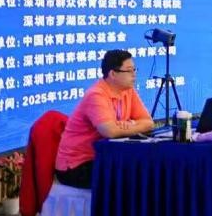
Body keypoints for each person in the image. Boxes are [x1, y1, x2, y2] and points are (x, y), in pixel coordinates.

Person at [54, 49, 154, 188]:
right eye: (129, 70)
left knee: (145, 167)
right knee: (130, 177)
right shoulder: (96, 95)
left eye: (134, 69)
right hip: (76, 165)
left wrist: (127, 125)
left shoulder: (128, 90)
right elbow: (109, 131)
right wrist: (130, 126)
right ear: (113, 74)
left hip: (104, 156)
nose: (134, 74)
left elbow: (149, 123)